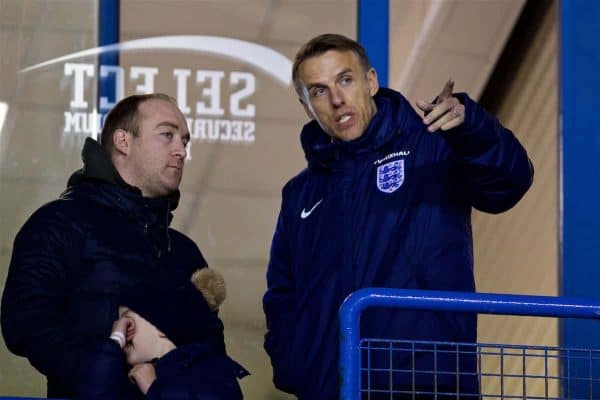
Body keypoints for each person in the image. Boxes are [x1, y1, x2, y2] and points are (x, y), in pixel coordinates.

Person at [262, 33, 534, 399]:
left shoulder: (431, 145)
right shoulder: (300, 194)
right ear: (306, 105)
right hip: (332, 387)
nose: (338, 99)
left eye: (345, 79)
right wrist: (297, 365)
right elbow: (282, 294)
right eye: (319, 91)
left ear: (370, 81)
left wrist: (474, 129)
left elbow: (510, 183)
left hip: (426, 383)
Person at [0, 93, 226, 398]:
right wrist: (92, 367)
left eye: (184, 141)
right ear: (123, 141)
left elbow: (212, 348)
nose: (181, 151)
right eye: (167, 135)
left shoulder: (185, 251)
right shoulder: (59, 223)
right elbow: (24, 321)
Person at [75, 267, 248, 400]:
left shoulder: (211, 373)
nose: (120, 328)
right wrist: (114, 343)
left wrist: (154, 389)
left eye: (128, 322)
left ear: (160, 327)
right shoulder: (125, 375)